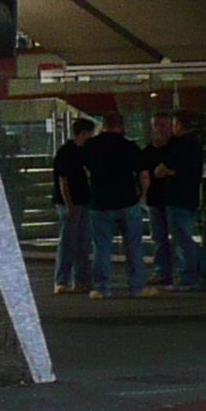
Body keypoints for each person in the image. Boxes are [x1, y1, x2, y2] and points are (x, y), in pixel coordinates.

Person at [81, 113, 151, 299]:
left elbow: (85, 170)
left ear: (103, 125)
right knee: (134, 246)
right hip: (128, 201)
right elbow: (144, 174)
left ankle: (101, 288)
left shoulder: (91, 146)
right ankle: (137, 287)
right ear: (121, 126)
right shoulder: (129, 146)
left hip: (100, 203)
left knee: (101, 248)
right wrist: (142, 196)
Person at [151, 112, 206, 293]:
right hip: (189, 195)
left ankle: (189, 276)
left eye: (173, 124)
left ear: (179, 124)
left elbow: (163, 169)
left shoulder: (182, 144)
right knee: (184, 236)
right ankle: (205, 266)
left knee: (182, 238)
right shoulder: (194, 144)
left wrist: (165, 170)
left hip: (177, 196)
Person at [50, 117, 96, 294]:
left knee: (80, 242)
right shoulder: (68, 152)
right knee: (71, 243)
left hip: (79, 201)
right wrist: (69, 204)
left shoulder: (74, 151)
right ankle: (65, 280)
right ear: (84, 133)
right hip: (73, 202)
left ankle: (78, 280)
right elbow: (64, 180)